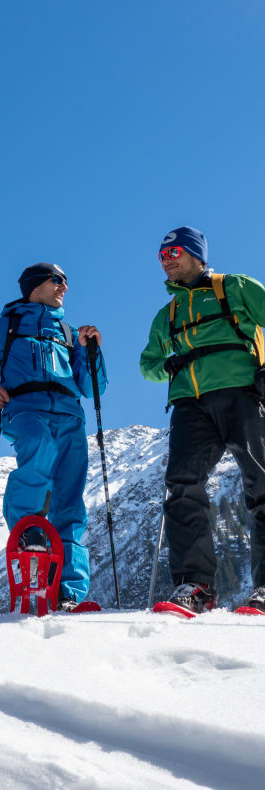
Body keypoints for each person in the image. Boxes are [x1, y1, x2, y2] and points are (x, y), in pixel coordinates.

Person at [0, 262, 107, 610]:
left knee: (70, 500)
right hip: (25, 410)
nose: (64, 287)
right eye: (58, 280)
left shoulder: (69, 333)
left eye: (65, 281)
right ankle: (28, 534)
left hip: (70, 417)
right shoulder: (3, 327)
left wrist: (92, 351)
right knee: (39, 446)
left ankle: (68, 592)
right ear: (35, 285)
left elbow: (91, 387)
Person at [140, 226, 265, 614]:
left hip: (242, 393)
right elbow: (148, 364)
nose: (167, 260)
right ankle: (196, 587)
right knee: (182, 487)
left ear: (197, 254)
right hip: (189, 406)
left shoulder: (234, 287)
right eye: (162, 256)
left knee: (261, 483)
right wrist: (167, 365)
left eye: (174, 252)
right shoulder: (168, 314)